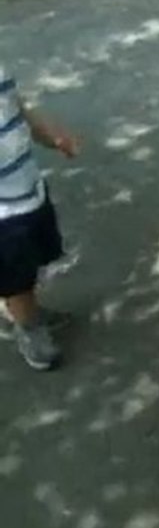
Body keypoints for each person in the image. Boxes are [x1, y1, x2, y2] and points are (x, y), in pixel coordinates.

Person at [0, 65, 80, 371]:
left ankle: (29, 310)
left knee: (34, 257)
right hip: (3, 211)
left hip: (27, 186)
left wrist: (52, 138)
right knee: (15, 277)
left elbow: (18, 109)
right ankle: (28, 327)